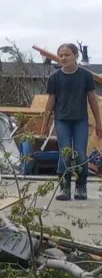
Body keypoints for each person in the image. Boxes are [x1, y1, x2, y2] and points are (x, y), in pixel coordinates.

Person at [43, 43, 102, 201]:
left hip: (80, 121)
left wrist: (98, 122)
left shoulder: (85, 76)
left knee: (81, 155)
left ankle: (81, 187)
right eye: (61, 55)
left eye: (67, 54)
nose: (63, 58)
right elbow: (50, 102)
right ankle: (65, 188)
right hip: (62, 121)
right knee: (65, 154)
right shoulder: (55, 78)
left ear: (76, 56)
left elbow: (93, 100)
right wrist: (45, 124)